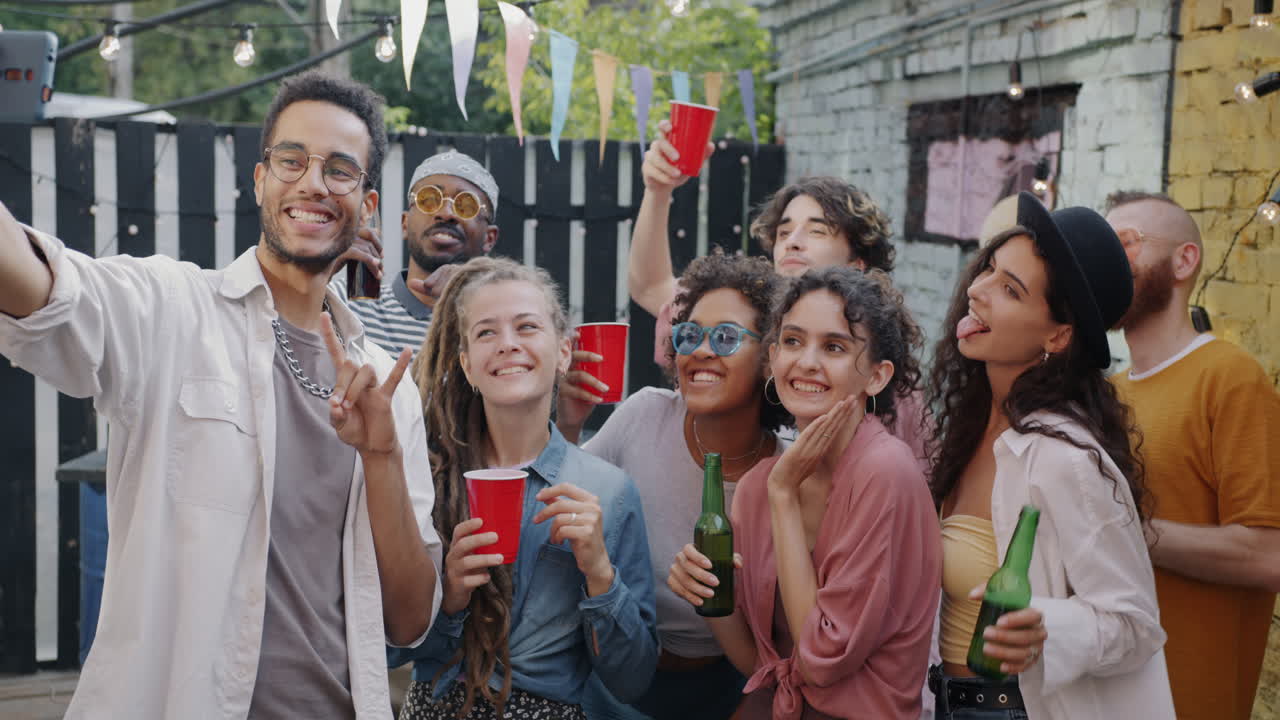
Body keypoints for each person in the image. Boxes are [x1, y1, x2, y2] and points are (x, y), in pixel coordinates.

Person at [0, 71, 442, 718]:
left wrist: (380, 459)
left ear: (368, 206)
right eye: (292, 160)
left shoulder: (387, 386)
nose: (313, 182)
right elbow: (42, 288)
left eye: (340, 170)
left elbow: (408, 622)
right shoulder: (172, 311)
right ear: (261, 179)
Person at [925, 191, 1175, 719]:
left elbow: (1134, 623)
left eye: (1010, 290)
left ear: (1058, 334)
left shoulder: (1063, 457)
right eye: (989, 269)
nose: (977, 290)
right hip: (938, 700)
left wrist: (1046, 628)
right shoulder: (969, 425)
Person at [668, 266, 942, 719]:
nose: (807, 362)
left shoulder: (884, 471)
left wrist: (783, 496)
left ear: (877, 376)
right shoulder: (759, 485)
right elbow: (760, 663)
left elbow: (820, 661)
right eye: (793, 342)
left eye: (834, 347)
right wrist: (708, 598)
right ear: (772, 357)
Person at [391, 256, 658, 719]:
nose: (508, 344)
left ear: (564, 352)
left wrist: (599, 573)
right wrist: (448, 597)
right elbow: (388, 647)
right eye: (487, 332)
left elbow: (632, 679)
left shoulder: (608, 492)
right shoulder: (424, 479)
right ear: (467, 366)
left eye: (527, 327)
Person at [611, 121, 930, 464]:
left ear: (857, 264)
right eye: (784, 231)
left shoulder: (890, 382)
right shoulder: (739, 314)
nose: (792, 240)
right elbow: (648, 286)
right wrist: (658, 191)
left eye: (817, 231)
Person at [558, 252, 787, 720]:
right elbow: (557, 506)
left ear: (770, 358)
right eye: (689, 334)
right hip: (611, 677)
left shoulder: (787, 475)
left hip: (731, 693)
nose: (700, 350)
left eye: (725, 337)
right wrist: (566, 424)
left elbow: (783, 648)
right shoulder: (645, 414)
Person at [1104, 190, 1280, 720]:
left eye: (1126, 244)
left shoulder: (1230, 377)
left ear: (1184, 260)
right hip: (1108, 691)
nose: (1111, 261)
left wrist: (1125, 528)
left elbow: (1269, 555)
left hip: (1192, 699)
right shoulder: (1108, 392)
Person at [332, 149, 500, 357]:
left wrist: (469, 302)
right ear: (405, 223)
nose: (446, 213)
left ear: (489, 238)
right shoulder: (346, 303)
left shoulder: (501, 324)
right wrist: (320, 272)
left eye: (466, 205)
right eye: (429, 200)